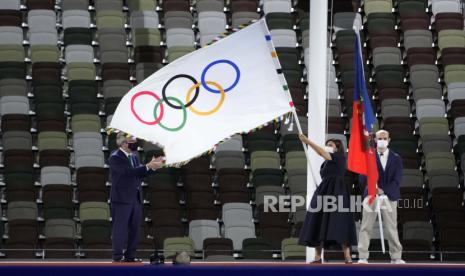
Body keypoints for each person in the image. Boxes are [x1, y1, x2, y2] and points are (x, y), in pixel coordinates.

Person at [298, 134, 357, 264]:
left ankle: (348, 257)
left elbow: (320, 152)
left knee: (340, 222)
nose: (328, 147)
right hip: (324, 191)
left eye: (330, 145)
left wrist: (307, 141)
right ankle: (318, 257)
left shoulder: (339, 157)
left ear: (337, 148)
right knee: (318, 221)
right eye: (327, 145)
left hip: (337, 192)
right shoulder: (326, 162)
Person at [109, 132, 165, 262]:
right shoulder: (115, 157)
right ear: (124, 143)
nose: (135, 143)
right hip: (122, 198)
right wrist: (147, 166)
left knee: (135, 229)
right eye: (132, 141)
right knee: (120, 228)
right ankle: (117, 256)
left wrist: (153, 167)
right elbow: (128, 172)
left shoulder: (134, 156)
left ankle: (130, 256)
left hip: (135, 197)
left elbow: (139, 173)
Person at [357, 130, 405, 264]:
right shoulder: (368, 156)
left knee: (391, 227)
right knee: (366, 226)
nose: (382, 140)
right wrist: (373, 188)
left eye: (385, 138)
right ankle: (362, 256)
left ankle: (396, 257)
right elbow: (362, 178)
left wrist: (383, 190)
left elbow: (397, 180)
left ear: (389, 139)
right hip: (371, 195)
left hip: (389, 195)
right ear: (375, 140)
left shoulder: (396, 158)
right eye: (380, 138)